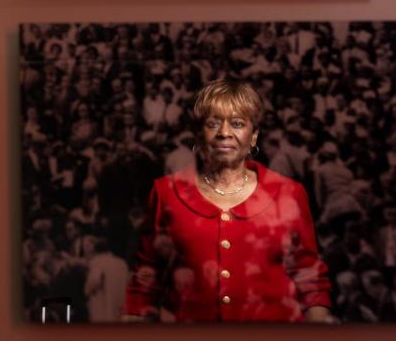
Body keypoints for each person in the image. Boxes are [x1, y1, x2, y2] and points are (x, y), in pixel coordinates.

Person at [123, 79, 333, 322]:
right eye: (213, 124)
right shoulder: (167, 192)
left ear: (253, 136)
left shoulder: (288, 194)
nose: (225, 133)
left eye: (237, 124)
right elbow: (145, 279)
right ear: (200, 136)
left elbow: (310, 278)